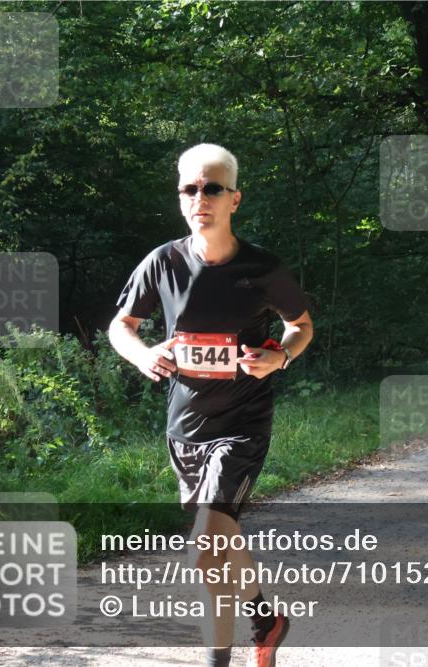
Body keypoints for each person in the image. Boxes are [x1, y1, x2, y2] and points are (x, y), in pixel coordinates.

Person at [109, 143, 313, 667]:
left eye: (213, 188)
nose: (201, 198)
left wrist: (281, 357)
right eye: (190, 189)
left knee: (205, 544)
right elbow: (122, 327)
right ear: (181, 199)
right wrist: (141, 356)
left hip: (243, 422)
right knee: (221, 544)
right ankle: (266, 619)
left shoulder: (264, 268)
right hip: (185, 426)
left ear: (234, 199)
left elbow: (301, 326)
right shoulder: (163, 262)